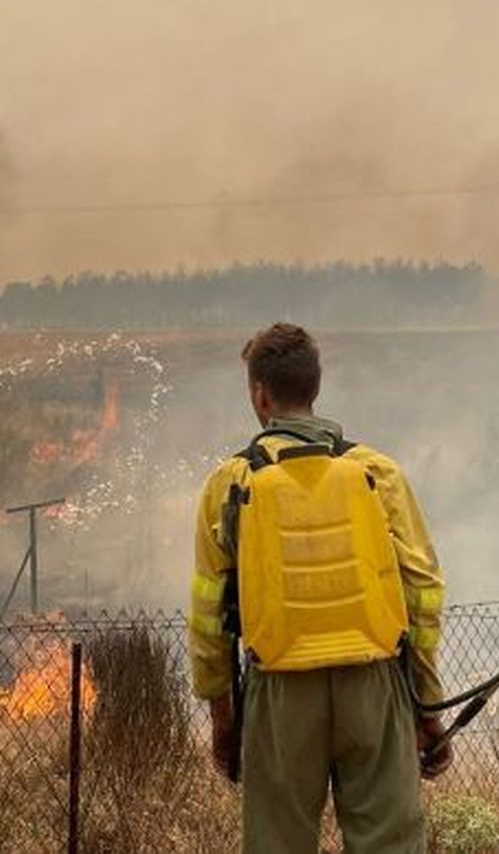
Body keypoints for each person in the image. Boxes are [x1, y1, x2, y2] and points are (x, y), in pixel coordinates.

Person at [188, 322, 452, 854]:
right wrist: (426, 706)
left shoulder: (229, 484)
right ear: (315, 387)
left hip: (279, 690)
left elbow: (209, 614)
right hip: (375, 684)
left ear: (260, 395)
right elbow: (422, 591)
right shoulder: (378, 473)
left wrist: (224, 717)